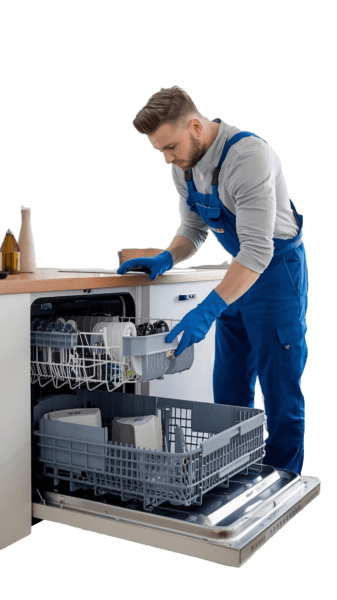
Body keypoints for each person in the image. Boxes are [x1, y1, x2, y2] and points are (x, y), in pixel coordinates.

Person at [117, 86, 309, 475]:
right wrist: (167, 256)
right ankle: (237, 474)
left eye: (170, 147)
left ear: (195, 125)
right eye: (161, 151)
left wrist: (206, 311)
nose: (168, 159)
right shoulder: (183, 166)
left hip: (275, 276)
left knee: (279, 390)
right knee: (229, 391)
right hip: (235, 278)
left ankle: (284, 481)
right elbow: (194, 228)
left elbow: (258, 252)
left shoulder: (249, 157)